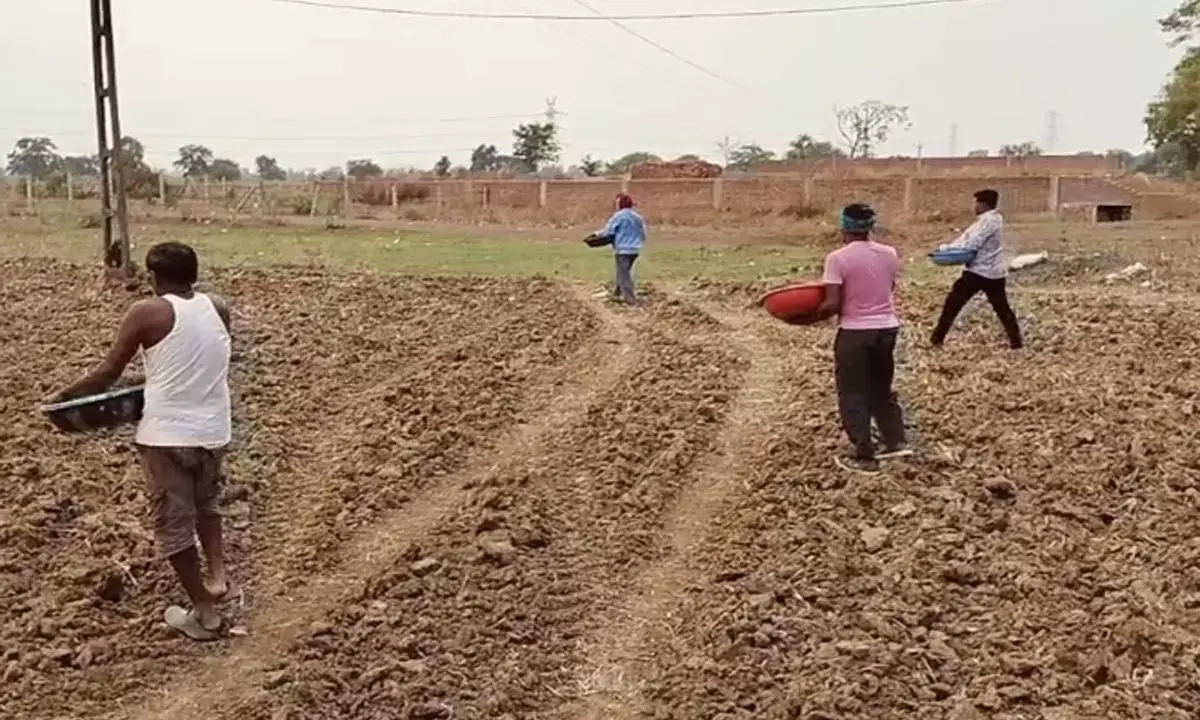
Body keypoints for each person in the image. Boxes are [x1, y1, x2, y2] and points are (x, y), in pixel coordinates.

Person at [53, 242, 234, 641]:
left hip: (167, 435)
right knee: (207, 504)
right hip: (214, 429)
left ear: (153, 277)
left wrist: (61, 399)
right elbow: (195, 359)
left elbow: (106, 374)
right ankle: (218, 574)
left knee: (172, 523)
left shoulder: (146, 312)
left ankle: (205, 613)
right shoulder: (216, 306)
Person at [793, 203, 910, 473]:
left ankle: (864, 453)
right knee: (881, 387)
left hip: (856, 333)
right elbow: (888, 288)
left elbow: (833, 303)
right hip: (887, 329)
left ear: (843, 227)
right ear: (871, 227)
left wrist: (804, 319)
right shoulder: (890, 254)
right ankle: (896, 441)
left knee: (852, 392)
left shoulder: (837, 258)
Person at [930, 188, 1023, 349]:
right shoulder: (993, 219)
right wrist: (948, 247)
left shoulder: (987, 222)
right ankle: (1016, 341)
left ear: (984, 204)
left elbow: (971, 243)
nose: (975, 206)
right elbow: (966, 238)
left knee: (953, 303)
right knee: (1002, 307)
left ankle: (937, 338)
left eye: (977, 203)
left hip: (979, 271)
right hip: (995, 272)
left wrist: (945, 250)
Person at [591, 193, 647, 305]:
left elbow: (608, 231)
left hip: (622, 249)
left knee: (624, 274)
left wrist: (595, 235)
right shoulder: (638, 217)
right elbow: (643, 234)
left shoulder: (618, 216)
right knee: (624, 271)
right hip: (635, 250)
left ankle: (630, 298)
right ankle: (617, 292)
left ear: (620, 204)